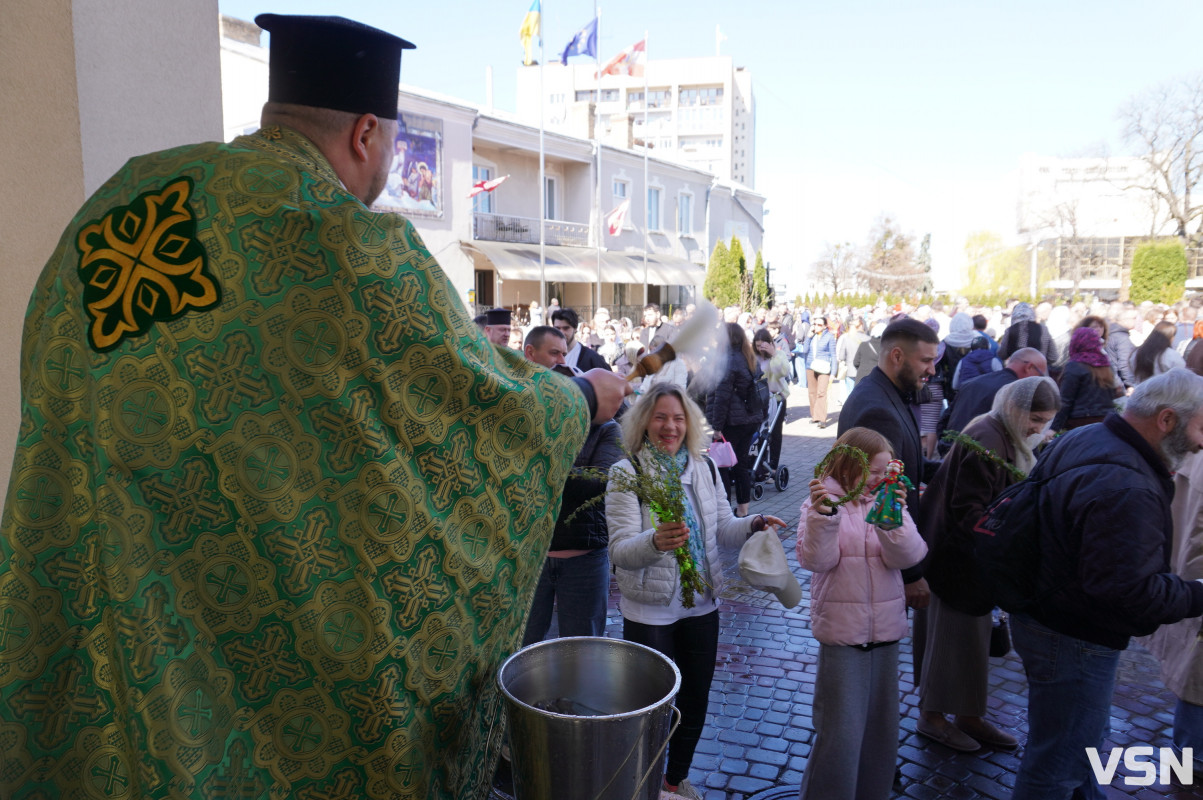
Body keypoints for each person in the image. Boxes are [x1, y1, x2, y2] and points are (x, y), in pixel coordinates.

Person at [0, 15, 634, 800]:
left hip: (110, 590)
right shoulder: (345, 244)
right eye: (390, 146)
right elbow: (475, 405)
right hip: (258, 626)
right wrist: (580, 396)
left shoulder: (124, 204)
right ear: (366, 133)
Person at [1009, 369, 1203, 800]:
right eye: (1201, 428)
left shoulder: (1089, 436)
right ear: (1167, 419)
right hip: (1074, 634)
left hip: (1047, 613)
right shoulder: (1128, 484)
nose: (1201, 443)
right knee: (1057, 765)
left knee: (1072, 750)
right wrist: (1197, 593)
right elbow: (1130, 591)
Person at [607, 384, 784, 800]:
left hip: (702, 605)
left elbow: (723, 528)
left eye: (678, 418)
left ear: (689, 424)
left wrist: (754, 523)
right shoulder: (626, 473)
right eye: (661, 417)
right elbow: (619, 551)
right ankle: (644, 785)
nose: (670, 426)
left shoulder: (704, 468)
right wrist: (655, 542)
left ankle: (675, 779)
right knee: (650, 708)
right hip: (649, 612)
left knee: (695, 699)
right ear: (644, 422)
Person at [916, 377, 1060, 753]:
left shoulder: (1000, 431)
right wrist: (1010, 548)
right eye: (1035, 419)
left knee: (972, 644)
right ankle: (932, 717)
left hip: (973, 561)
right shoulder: (988, 438)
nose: (1038, 429)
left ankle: (969, 714)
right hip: (956, 561)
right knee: (950, 641)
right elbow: (969, 512)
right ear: (1016, 408)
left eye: (1045, 421)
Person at [796, 428, 927, 800]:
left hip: (886, 631)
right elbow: (816, 561)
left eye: (886, 471)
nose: (880, 478)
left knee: (881, 731)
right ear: (849, 463)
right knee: (840, 733)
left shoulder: (887, 500)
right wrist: (824, 518)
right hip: (842, 636)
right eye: (873, 471)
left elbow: (909, 557)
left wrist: (892, 521)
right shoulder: (823, 500)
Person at [521, 328, 622, 645]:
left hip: (584, 557)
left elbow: (599, 483)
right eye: (555, 354)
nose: (562, 363)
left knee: (583, 649)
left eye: (565, 356)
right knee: (522, 646)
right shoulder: (528, 418)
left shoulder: (606, 428)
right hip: (532, 556)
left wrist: (542, 464)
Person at [1138, 447, 1203, 766]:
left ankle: (1191, 751)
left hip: (1188, 573)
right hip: (1194, 577)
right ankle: (1192, 754)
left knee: (1195, 667)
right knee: (1197, 671)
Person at [706, 323, 766, 517]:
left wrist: (716, 427)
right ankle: (742, 511)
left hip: (732, 422)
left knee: (722, 465)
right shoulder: (749, 357)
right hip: (750, 419)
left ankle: (725, 513)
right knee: (741, 465)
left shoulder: (727, 361)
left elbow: (722, 398)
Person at [943, 348, 1048, 438]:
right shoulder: (1017, 393)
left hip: (952, 448)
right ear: (1029, 367)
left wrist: (947, 447)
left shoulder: (970, 383)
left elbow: (944, 420)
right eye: (1040, 375)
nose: (1039, 381)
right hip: (985, 452)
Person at [1052, 327, 1122, 431]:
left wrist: (1054, 428)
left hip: (1080, 421)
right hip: (1105, 420)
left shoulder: (1074, 366)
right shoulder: (1106, 365)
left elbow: (1066, 400)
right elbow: (1115, 392)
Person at [753, 327, 791, 477]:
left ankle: (773, 466)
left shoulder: (779, 355)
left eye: (763, 345)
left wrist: (773, 354)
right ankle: (761, 465)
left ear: (769, 343)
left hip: (777, 398)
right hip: (759, 399)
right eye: (757, 346)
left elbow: (783, 372)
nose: (760, 349)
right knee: (760, 432)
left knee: (775, 433)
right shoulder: (754, 357)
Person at [800, 315, 837, 427]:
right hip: (810, 366)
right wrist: (808, 337)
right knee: (812, 392)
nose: (816, 326)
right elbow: (805, 350)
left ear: (825, 326)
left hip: (823, 367)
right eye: (815, 324)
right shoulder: (812, 336)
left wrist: (833, 372)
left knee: (821, 392)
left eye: (819, 325)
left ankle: (822, 419)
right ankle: (815, 416)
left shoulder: (829, 337)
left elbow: (833, 355)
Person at [552, 307, 611, 373]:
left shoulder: (592, 358)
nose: (561, 332)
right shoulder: (547, 356)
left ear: (575, 328)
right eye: (557, 328)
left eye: (566, 328)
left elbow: (610, 377)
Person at [1131, 319, 1186, 384]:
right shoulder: (1171, 355)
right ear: (1171, 337)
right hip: (1164, 389)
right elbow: (1182, 375)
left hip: (1141, 387)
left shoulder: (1137, 352)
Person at [1108, 307, 1141, 391]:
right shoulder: (1122, 338)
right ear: (1125, 320)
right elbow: (1125, 363)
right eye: (1134, 318)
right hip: (1121, 383)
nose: (1136, 321)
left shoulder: (1112, 332)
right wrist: (1130, 384)